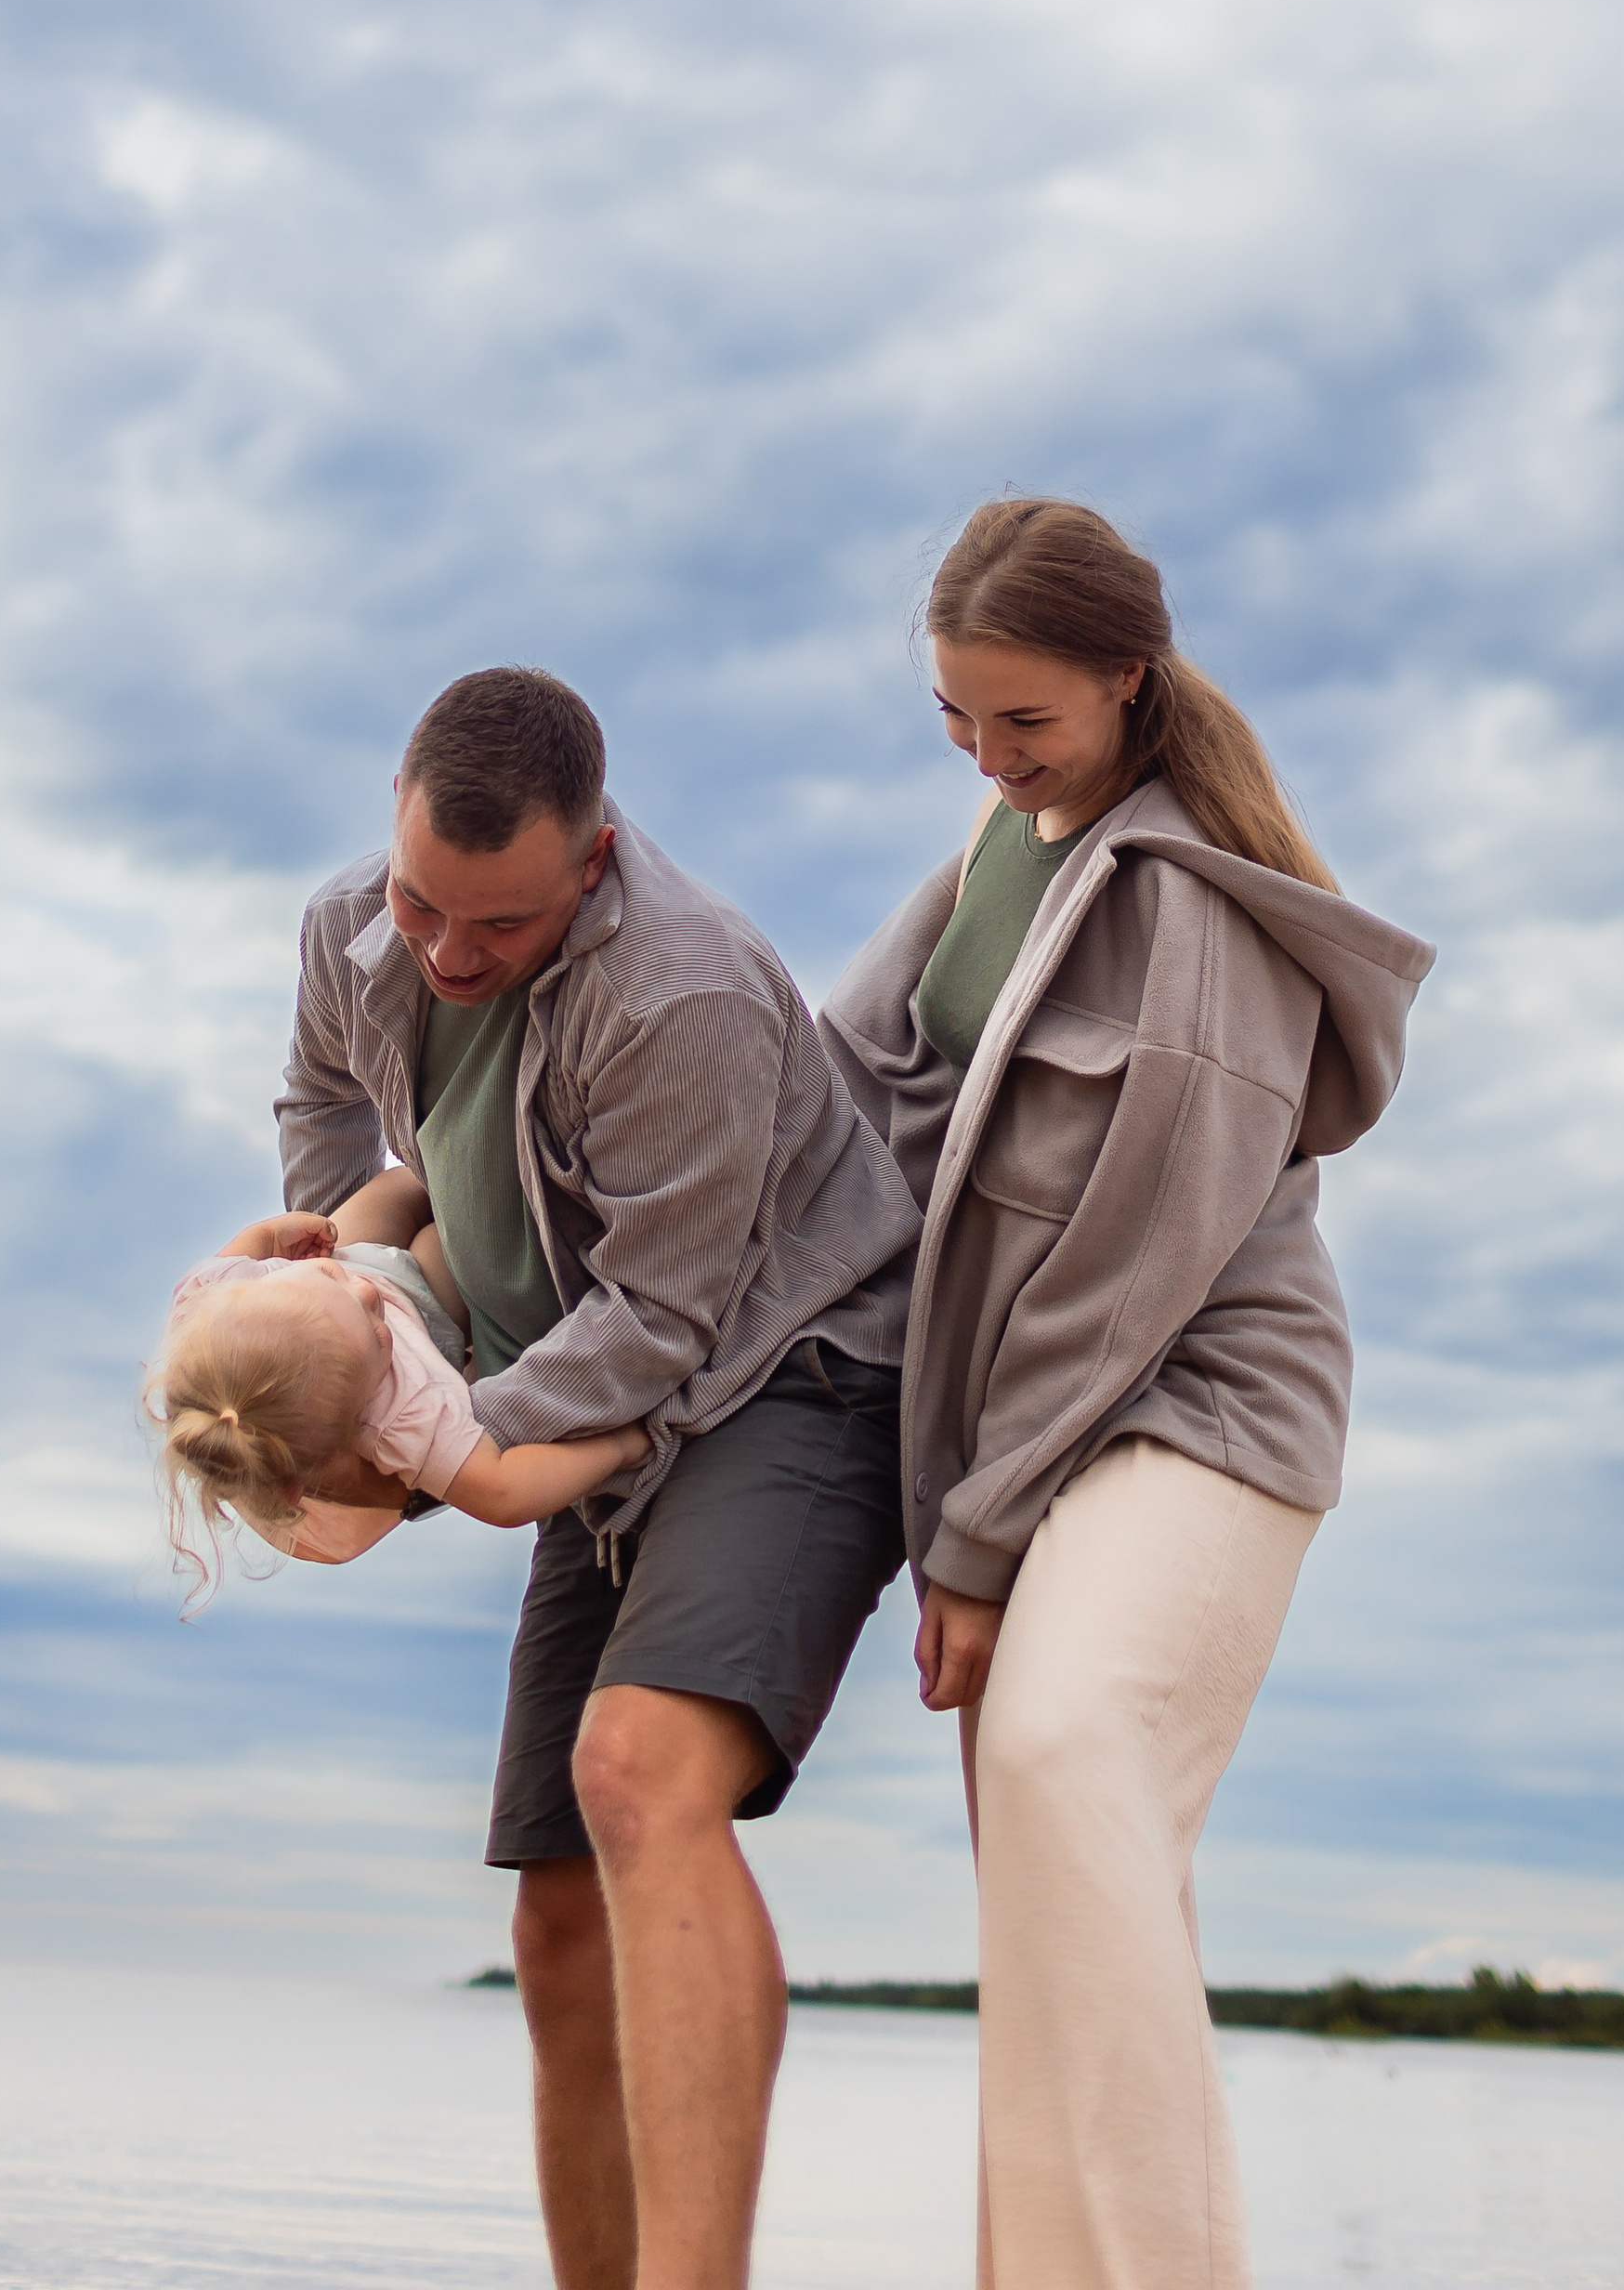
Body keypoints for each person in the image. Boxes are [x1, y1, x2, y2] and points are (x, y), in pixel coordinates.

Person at [819, 499, 1435, 2290]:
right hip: (1036, 1441)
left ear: (1129, 682)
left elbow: (1128, 1271)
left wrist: (974, 1539)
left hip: (1205, 1407)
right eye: (958, 721)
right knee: (1054, 1869)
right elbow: (832, 1089)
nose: (996, 762)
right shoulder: (995, 862)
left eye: (1030, 724)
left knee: (1063, 1750)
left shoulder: (1190, 904)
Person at [268, 664, 923, 2290]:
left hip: (790, 1372)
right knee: (557, 1918)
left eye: (499, 925)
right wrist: (342, 1274)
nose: (449, 955)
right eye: (425, 904)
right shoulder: (356, 923)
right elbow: (322, 1102)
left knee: (637, 1774)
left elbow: (664, 1317)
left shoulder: (677, 992)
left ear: (597, 856)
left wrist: (433, 1436)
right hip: (590, 1421)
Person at [151, 1197, 646, 1568]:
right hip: (429, 1303)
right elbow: (503, 1492)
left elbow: (244, 1250)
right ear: (357, 1416)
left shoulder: (213, 1300)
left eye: (330, 1282)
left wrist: (274, 1236)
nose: (368, 1294)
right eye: (374, 1331)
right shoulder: (399, 1413)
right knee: (448, 1231)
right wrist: (620, 1448)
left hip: (356, 1251)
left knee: (392, 1193)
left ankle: (423, 1175)